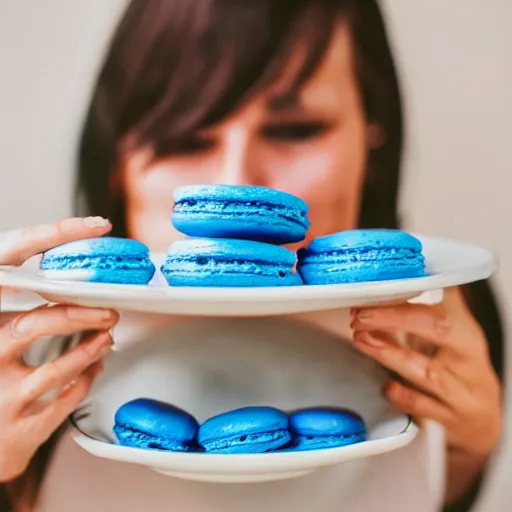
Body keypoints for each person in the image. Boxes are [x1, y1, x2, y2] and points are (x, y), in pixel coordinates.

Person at [0, 1, 503, 511]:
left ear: (373, 137)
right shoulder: (27, 342)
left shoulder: (446, 325)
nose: (236, 182)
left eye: (295, 129)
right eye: (185, 138)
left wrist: (462, 453)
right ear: (117, 164)